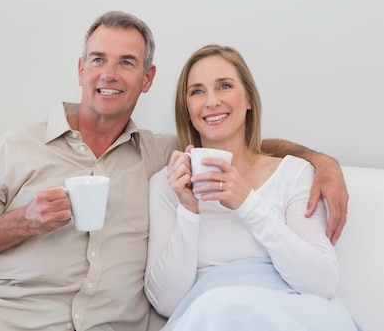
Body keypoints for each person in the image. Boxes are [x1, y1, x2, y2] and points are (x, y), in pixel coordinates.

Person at [0, 12, 349, 331]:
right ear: (81, 69)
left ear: (147, 79)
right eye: (98, 59)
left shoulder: (162, 155)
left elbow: (228, 140)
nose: (109, 74)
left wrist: (319, 161)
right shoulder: (17, 147)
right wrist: (23, 222)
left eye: (127, 62)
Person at [145, 45, 359, 330]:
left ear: (248, 99)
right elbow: (167, 303)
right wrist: (188, 209)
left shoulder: (294, 174)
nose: (211, 101)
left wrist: (247, 202)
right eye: (197, 91)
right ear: (187, 109)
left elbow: (321, 283)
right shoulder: (167, 184)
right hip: (211, 317)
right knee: (216, 307)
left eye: (224, 86)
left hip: (289, 315)